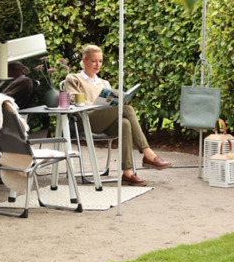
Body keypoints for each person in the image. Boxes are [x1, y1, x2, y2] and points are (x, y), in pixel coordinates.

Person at [64, 44, 171, 186]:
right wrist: (97, 105)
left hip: (104, 121)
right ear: (84, 60)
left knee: (124, 123)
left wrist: (117, 103)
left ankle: (127, 173)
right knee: (128, 110)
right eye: (94, 61)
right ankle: (148, 154)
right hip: (86, 119)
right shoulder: (73, 78)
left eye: (100, 61)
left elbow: (110, 104)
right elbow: (73, 98)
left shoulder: (104, 83)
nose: (98, 64)